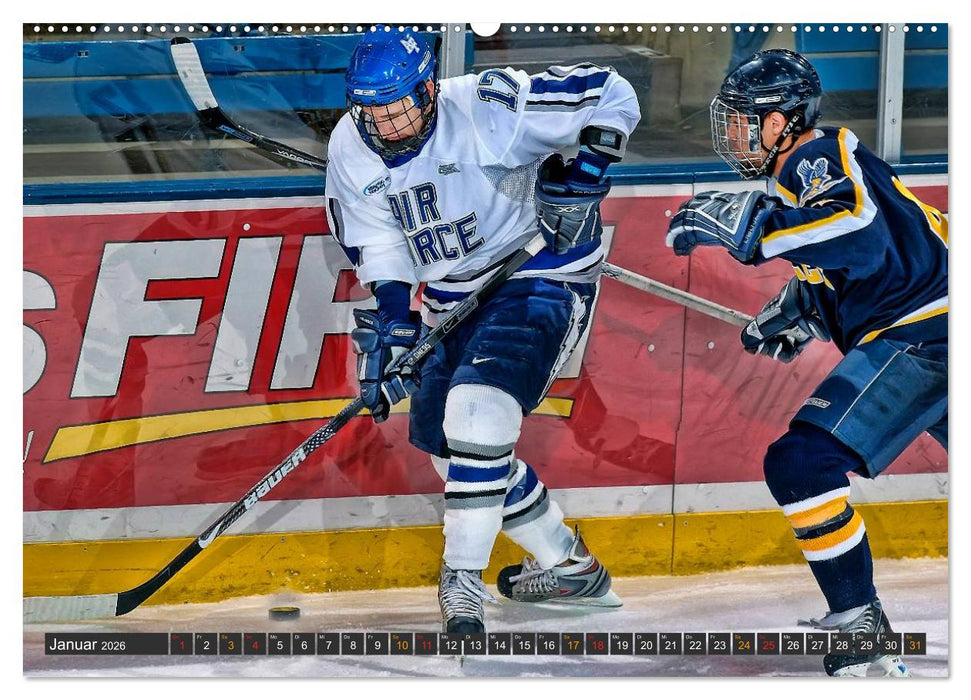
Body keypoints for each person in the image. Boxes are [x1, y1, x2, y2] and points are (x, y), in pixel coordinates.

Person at [325, 26, 641, 633]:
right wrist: (395, 319)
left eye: (398, 110)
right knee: (452, 452)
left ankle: (461, 578)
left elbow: (610, 90)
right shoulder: (349, 147)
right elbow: (378, 238)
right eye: (373, 114)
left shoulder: (489, 103)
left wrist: (589, 169)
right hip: (451, 294)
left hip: (540, 265)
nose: (388, 127)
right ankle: (570, 567)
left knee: (479, 412)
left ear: (428, 91)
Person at [666, 48, 946, 677]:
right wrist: (804, 308)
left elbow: (860, 231)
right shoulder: (808, 187)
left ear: (781, 121)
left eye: (745, 119)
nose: (733, 133)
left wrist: (754, 228)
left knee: (801, 462)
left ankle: (858, 621)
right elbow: (864, 258)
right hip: (937, 327)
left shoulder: (815, 158)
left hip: (933, 331)